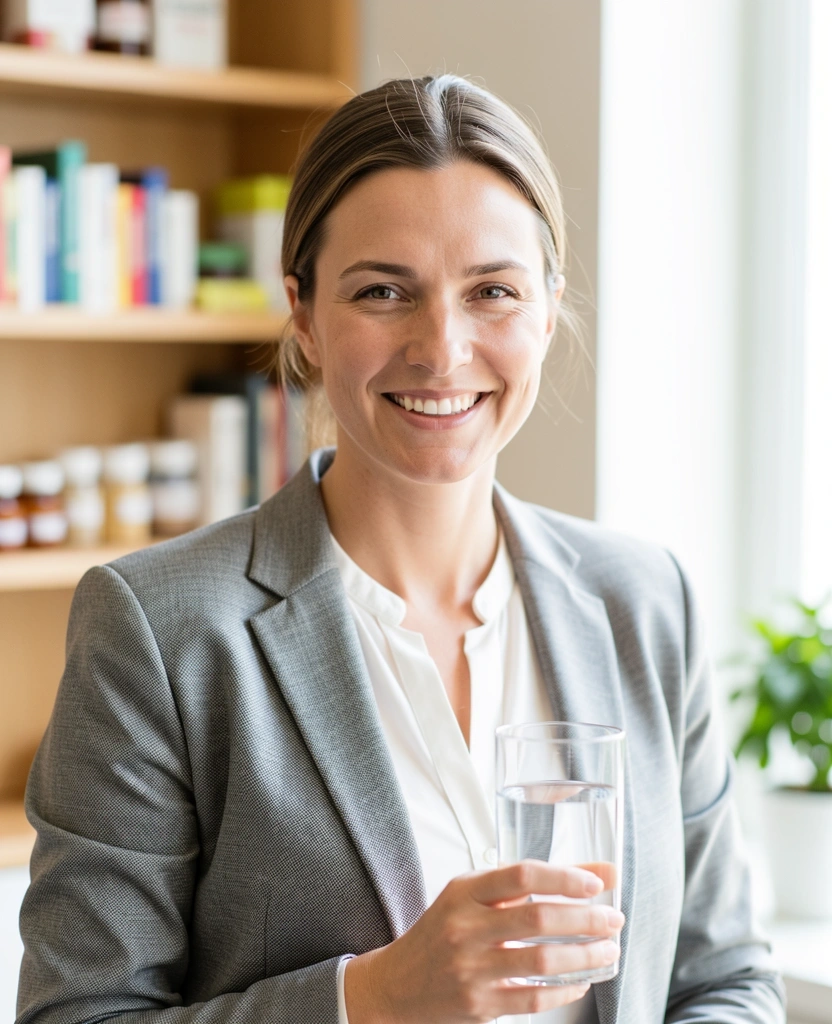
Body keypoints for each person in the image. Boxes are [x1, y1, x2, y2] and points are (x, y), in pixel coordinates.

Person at [17, 75, 784, 1024]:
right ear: (301, 312)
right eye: (384, 291)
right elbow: (79, 1014)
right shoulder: (161, 632)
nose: (443, 349)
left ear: (547, 308)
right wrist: (372, 997)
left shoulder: (645, 600)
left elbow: (727, 980)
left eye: (492, 292)